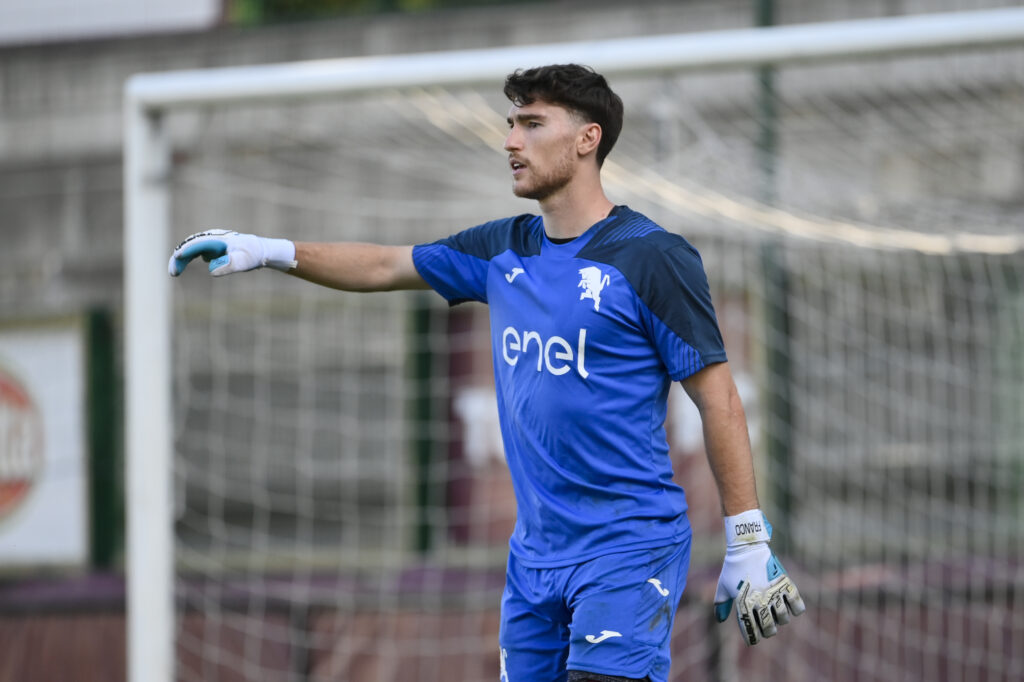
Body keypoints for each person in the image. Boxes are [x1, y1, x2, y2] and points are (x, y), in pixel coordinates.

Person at [169, 63, 804, 682]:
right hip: (534, 558)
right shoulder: (505, 247)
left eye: (532, 124)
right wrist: (269, 251)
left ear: (588, 139)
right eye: (510, 125)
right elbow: (387, 266)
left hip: (627, 548)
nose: (510, 142)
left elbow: (718, 399)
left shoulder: (653, 258)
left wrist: (747, 538)